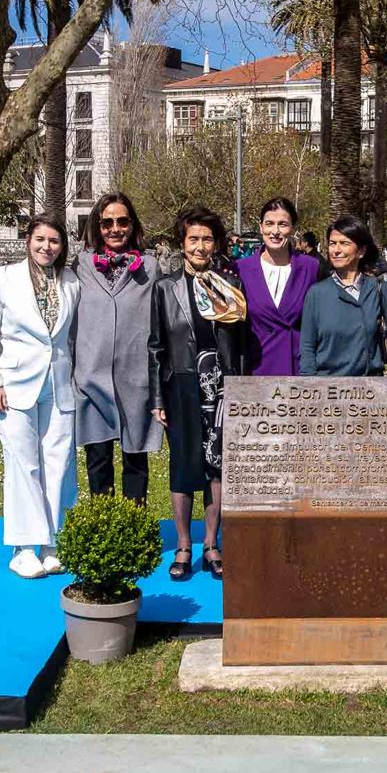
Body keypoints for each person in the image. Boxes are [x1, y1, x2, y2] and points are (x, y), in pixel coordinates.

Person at [0, 215, 81, 579]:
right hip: (14, 384)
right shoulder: (1, 279)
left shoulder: (71, 281)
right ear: (28, 239)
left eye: (54, 241)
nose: (46, 247)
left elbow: (71, 336)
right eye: (40, 239)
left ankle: (53, 542)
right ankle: (23, 548)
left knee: (59, 462)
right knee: (23, 463)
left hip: (60, 383)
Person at [149, 206, 247, 581]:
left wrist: (239, 386)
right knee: (184, 465)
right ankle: (184, 545)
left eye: (207, 239)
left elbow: (239, 344)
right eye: (194, 239)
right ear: (182, 243)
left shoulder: (230, 286)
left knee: (217, 465)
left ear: (216, 243)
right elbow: (156, 346)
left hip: (221, 386)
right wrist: (158, 398)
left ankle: (211, 543)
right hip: (182, 385)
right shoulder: (165, 287)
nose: (200, 246)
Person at [72, 193, 162, 506]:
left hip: (135, 381)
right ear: (98, 226)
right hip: (91, 378)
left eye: (122, 221)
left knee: (135, 459)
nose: (115, 228)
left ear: (132, 224)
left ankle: (134, 523)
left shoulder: (150, 267)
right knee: (97, 458)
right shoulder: (81, 265)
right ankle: (105, 523)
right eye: (107, 222)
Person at [300, 215, 387, 377]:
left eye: (344, 243)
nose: (336, 250)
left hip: (371, 391)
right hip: (327, 391)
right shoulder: (316, 293)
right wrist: (310, 385)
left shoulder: (378, 289)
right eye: (332, 244)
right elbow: (307, 347)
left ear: (361, 251)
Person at [236, 197, 321, 376]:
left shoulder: (311, 268)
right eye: (269, 224)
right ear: (261, 227)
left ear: (293, 229)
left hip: (296, 371)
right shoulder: (240, 269)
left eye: (282, 224)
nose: (275, 231)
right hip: (256, 371)